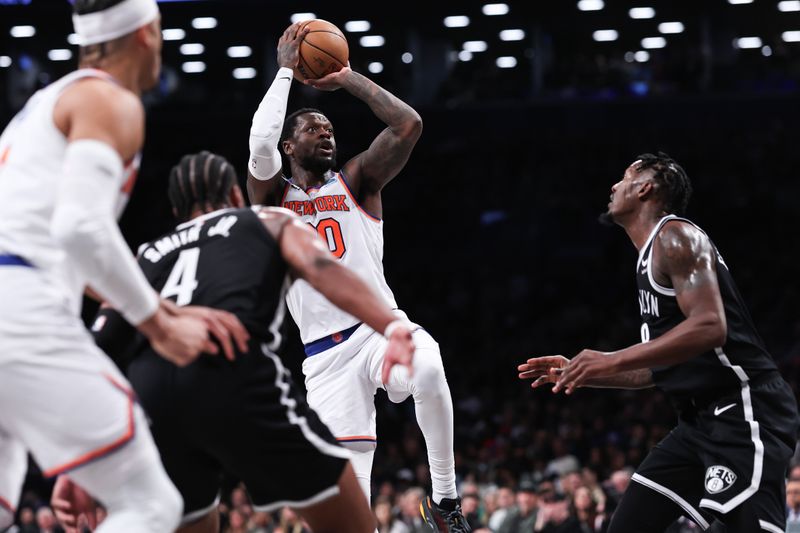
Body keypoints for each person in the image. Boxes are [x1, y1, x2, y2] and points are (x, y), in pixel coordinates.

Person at [55, 151, 416, 533]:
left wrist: (81, 457)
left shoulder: (148, 254)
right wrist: (389, 326)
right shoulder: (268, 218)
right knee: (352, 524)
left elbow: (102, 343)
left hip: (154, 396)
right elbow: (320, 266)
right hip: (233, 372)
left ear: (177, 211)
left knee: (195, 518)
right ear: (233, 194)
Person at [0, 1, 249, 531]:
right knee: (150, 505)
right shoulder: (108, 99)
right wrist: (157, 324)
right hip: (21, 313)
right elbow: (80, 228)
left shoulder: (42, 107)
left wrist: (153, 304)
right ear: (146, 32)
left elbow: (69, 246)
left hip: (15, 296)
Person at [245, 22, 469, 532]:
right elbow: (258, 145)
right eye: (313, 128)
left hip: (381, 329)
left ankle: (444, 498)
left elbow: (407, 125)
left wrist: (347, 79)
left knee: (430, 368)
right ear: (289, 145)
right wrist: (284, 72)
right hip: (325, 360)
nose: (326, 132)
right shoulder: (271, 200)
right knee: (350, 516)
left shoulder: (357, 181)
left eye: (330, 128)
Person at [519, 153, 800, 532]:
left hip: (745, 408)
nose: (614, 186)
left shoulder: (676, 236)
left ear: (645, 187)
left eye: (624, 177)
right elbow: (658, 367)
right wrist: (583, 371)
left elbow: (710, 327)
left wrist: (612, 358)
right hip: (699, 421)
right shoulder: (648, 256)